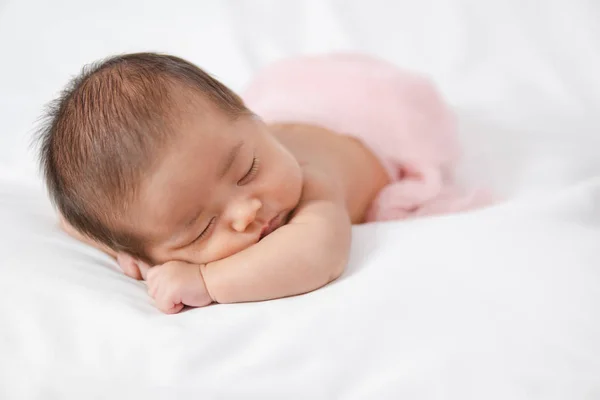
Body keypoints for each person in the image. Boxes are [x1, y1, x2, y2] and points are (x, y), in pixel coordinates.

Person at [38, 52, 489, 314]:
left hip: (372, 122)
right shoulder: (195, 177)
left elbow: (317, 255)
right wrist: (123, 248)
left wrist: (206, 278)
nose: (245, 211)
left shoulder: (310, 180)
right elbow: (74, 219)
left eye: (247, 170)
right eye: (199, 229)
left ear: (248, 115)